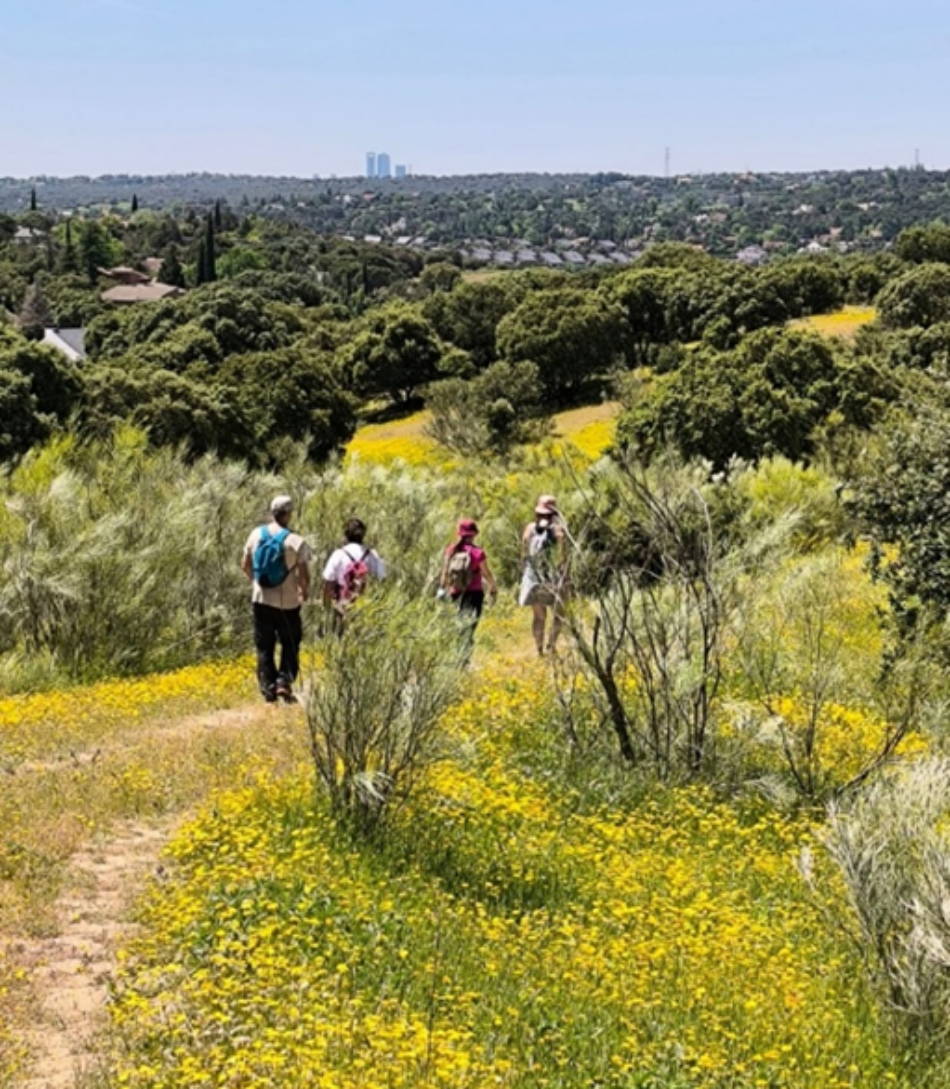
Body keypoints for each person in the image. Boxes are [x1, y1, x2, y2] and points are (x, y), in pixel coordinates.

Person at [242, 495, 312, 704]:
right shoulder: (296, 541)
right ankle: (284, 682)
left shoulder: (255, 534)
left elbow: (245, 564)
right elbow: (304, 574)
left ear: (272, 512)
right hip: (287, 603)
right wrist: (303, 591)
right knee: (290, 643)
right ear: (289, 514)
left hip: (260, 599)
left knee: (264, 645)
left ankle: (268, 688)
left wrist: (256, 583)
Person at [519, 494, 567, 656]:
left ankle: (539, 650)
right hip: (550, 577)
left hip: (531, 577)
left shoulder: (529, 528)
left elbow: (523, 552)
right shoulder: (558, 530)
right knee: (560, 613)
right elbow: (562, 556)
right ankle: (551, 645)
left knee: (539, 617)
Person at [440, 519, 498, 654]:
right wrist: (493, 587)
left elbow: (445, 572)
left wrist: (441, 589)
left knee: (459, 625)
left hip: (456, 592)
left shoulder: (451, 550)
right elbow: (486, 573)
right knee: (470, 628)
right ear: (474, 534)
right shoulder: (478, 552)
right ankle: (464, 659)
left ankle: (457, 656)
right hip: (475, 593)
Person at [322, 518, 386, 631]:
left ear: (346, 535)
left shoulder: (339, 554)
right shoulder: (372, 555)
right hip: (365, 605)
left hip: (342, 604)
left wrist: (327, 605)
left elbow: (328, 581)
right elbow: (382, 579)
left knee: (340, 636)